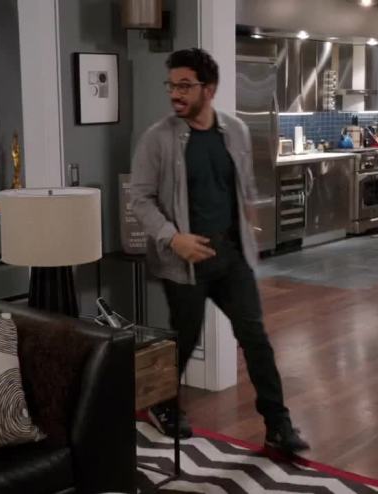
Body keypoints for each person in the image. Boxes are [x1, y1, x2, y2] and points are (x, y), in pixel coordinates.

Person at [130, 48, 309, 454]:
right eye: (171, 85)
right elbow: (139, 198)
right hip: (185, 261)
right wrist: (173, 238)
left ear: (208, 89)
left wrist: (248, 226)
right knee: (185, 339)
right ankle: (163, 404)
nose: (175, 93)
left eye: (184, 85)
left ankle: (278, 425)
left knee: (255, 337)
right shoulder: (158, 138)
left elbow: (242, 186)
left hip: (231, 257)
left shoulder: (236, 130)